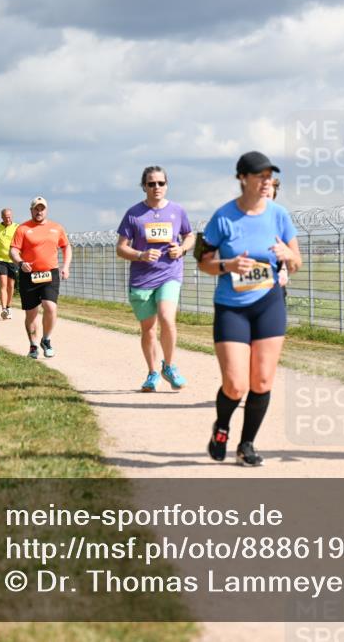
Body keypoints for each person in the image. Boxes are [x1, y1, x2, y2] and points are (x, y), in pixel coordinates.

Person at [198, 151, 302, 466]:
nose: (265, 181)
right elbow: (204, 263)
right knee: (236, 384)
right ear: (242, 178)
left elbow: (296, 262)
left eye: (269, 176)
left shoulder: (279, 215)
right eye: (259, 176)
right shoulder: (223, 217)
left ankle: (247, 444)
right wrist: (227, 265)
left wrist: (288, 253)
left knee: (262, 382)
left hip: (268, 304)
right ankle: (222, 427)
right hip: (232, 307)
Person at [116, 166, 195, 391]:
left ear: (167, 185)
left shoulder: (177, 211)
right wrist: (140, 254)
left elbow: (189, 236)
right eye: (151, 183)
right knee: (148, 328)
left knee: (167, 317)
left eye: (160, 183)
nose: (156, 187)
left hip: (169, 273)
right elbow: (121, 248)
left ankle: (169, 366)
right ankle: (152, 373)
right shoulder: (134, 214)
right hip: (141, 279)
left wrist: (181, 249)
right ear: (144, 187)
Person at [10, 196, 71, 359]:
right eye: (36, 209)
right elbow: (13, 251)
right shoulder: (22, 229)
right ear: (31, 210)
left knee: (50, 306)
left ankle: (46, 339)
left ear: (46, 210)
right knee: (31, 313)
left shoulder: (56, 228)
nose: (39, 212)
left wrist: (65, 266)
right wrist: (20, 262)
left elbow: (66, 247)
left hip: (50, 273)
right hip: (29, 275)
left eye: (42, 208)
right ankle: (33, 345)